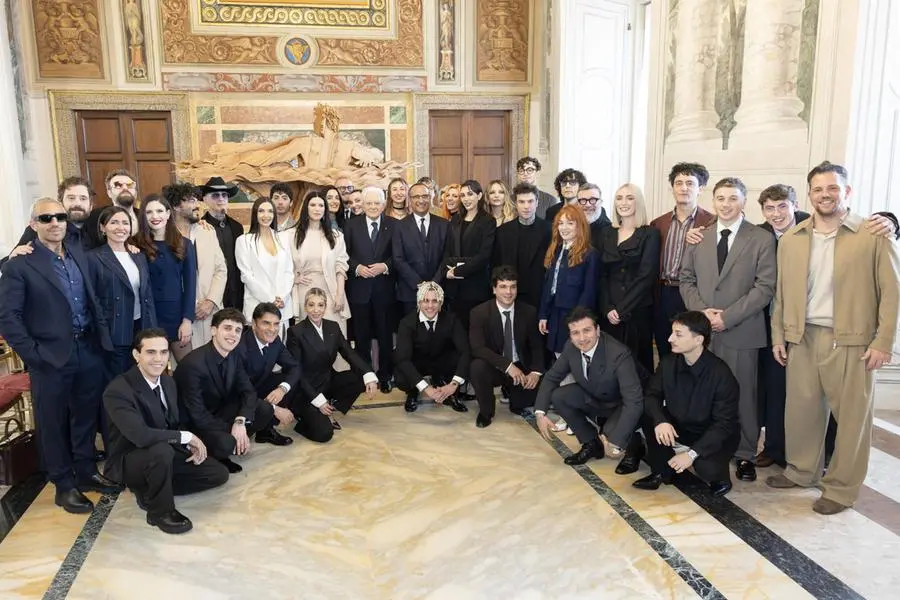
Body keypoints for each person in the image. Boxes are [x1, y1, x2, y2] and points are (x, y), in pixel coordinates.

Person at [766, 161, 900, 515]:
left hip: (852, 341)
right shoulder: (792, 239)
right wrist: (779, 335)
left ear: (847, 191)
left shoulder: (872, 234)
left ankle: (841, 489)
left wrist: (883, 341)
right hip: (802, 337)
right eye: (818, 189)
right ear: (809, 194)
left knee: (853, 420)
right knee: (801, 412)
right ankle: (801, 471)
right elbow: (781, 293)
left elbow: (892, 292)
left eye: (833, 188)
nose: (825, 195)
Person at [0, 198, 120, 514]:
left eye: (60, 217)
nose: (55, 223)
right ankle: (63, 485)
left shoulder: (78, 253)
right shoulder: (19, 264)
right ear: (33, 224)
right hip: (49, 357)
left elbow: (93, 298)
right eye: (46, 218)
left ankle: (86, 471)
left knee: (85, 415)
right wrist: (34, 355)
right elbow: (8, 317)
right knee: (52, 423)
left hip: (88, 349)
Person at [679, 177, 776, 484]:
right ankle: (709, 448)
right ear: (713, 201)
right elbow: (686, 279)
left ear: (744, 201)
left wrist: (728, 317)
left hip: (742, 330)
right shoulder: (699, 236)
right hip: (704, 333)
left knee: (743, 395)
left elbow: (765, 286)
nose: (726, 204)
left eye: (733, 198)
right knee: (706, 394)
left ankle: (745, 454)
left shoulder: (761, 238)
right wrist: (702, 315)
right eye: (720, 198)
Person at [102, 328, 229, 534]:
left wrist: (187, 444)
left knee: (217, 474)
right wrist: (185, 437)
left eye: (163, 352)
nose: (158, 359)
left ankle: (151, 489)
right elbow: (141, 436)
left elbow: (173, 423)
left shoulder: (168, 382)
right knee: (161, 450)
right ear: (136, 355)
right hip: (130, 459)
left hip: (164, 453)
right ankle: (160, 511)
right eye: (151, 352)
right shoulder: (118, 390)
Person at [632, 312, 740, 497]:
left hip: (710, 433)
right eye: (672, 332)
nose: (670, 338)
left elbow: (723, 424)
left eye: (678, 334)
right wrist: (660, 421)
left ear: (698, 340)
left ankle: (721, 478)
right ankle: (660, 471)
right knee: (649, 414)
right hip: (680, 426)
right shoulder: (668, 363)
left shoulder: (721, 374)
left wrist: (691, 454)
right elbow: (651, 395)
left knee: (706, 468)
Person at [174, 309, 292, 473]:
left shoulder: (233, 356)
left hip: (219, 411)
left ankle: (233, 442)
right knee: (227, 442)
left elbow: (248, 392)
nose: (233, 334)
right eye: (227, 328)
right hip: (195, 423)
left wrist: (240, 421)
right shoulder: (193, 364)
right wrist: (232, 430)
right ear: (213, 330)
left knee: (264, 409)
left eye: (237, 330)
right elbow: (197, 415)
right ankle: (220, 451)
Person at [534, 307, 644, 466]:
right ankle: (591, 444)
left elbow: (634, 402)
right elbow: (551, 377)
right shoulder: (571, 347)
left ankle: (636, 445)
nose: (582, 338)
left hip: (623, 402)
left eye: (587, 330)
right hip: (596, 395)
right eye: (575, 333)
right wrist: (540, 413)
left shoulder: (619, 354)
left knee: (612, 434)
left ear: (597, 330)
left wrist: (616, 440)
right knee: (559, 396)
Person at [285, 288, 378, 441]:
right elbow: (296, 372)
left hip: (327, 381)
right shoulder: (295, 332)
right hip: (306, 390)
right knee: (324, 434)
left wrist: (368, 374)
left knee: (362, 377)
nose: (316, 310)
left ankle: (331, 406)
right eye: (311, 305)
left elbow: (349, 353)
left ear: (325, 307)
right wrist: (317, 400)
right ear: (305, 307)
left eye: (320, 305)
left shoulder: (332, 326)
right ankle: (303, 418)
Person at [650, 162, 716, 357]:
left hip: (694, 293)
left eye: (690, 183)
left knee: (692, 348)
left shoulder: (711, 222)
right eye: (678, 183)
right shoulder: (658, 223)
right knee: (664, 344)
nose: (684, 188)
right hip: (663, 293)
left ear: (701, 188)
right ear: (672, 188)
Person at [88, 206, 157, 380]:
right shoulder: (93, 257)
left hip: (141, 327)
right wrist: (103, 333)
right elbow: (92, 299)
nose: (121, 227)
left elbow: (147, 295)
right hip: (114, 330)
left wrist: (152, 329)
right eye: (114, 222)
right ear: (103, 227)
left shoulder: (138, 255)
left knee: (141, 379)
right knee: (119, 381)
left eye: (125, 223)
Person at [469, 267, 543, 427]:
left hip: (521, 367)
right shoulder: (479, 313)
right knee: (477, 367)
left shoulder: (529, 312)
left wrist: (536, 372)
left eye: (512, 286)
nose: (508, 292)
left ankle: (512, 393)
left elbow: (537, 346)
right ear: (494, 289)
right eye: (503, 286)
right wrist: (507, 366)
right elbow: (478, 348)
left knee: (521, 404)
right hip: (496, 366)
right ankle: (486, 412)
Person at [597, 183, 660, 373]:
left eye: (629, 198)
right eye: (619, 198)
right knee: (610, 364)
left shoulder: (650, 234)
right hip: (609, 312)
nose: (623, 203)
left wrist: (621, 309)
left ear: (638, 202)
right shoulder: (606, 232)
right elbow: (602, 275)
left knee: (637, 364)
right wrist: (608, 308)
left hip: (637, 310)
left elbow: (646, 276)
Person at [344, 186, 397, 393]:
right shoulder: (350, 226)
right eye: (369, 203)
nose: (373, 207)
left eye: (377, 203)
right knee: (361, 338)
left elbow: (400, 254)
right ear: (363, 205)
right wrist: (356, 268)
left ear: (383, 205)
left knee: (385, 336)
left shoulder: (394, 225)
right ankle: (365, 376)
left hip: (385, 291)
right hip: (359, 291)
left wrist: (385, 266)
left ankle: (385, 376)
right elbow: (344, 254)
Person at [134, 194, 198, 362]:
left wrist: (187, 320)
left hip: (176, 317)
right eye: (149, 212)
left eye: (159, 211)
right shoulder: (135, 244)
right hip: (148, 316)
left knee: (189, 369)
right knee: (154, 368)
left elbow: (190, 285)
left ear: (168, 214)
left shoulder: (184, 244)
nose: (155, 216)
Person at [164, 183, 228, 348]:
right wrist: (190, 307)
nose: (197, 205)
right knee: (185, 363)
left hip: (210, 313)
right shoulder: (164, 236)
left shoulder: (207, 231)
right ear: (176, 206)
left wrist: (211, 301)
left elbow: (221, 270)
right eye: (191, 201)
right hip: (179, 316)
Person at [394, 281, 470, 413]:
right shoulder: (407, 323)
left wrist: (454, 384)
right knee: (401, 373)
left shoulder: (451, 319)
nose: (430, 306)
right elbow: (403, 359)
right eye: (426, 301)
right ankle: (413, 390)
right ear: (419, 302)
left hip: (442, 361)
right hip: (417, 362)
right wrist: (425, 388)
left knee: (463, 358)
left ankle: (447, 389)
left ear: (441, 303)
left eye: (435, 301)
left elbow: (465, 351)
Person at [538, 204, 599, 355]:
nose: (564, 228)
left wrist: (578, 320)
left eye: (570, 223)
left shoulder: (589, 254)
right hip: (554, 312)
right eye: (561, 223)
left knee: (573, 354)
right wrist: (543, 314)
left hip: (573, 314)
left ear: (580, 226)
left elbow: (589, 291)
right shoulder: (555, 250)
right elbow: (548, 285)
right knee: (557, 354)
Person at [289, 190, 351, 338]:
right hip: (304, 290)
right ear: (306, 208)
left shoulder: (336, 236)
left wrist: (339, 294)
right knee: (308, 338)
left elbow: (341, 266)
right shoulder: (291, 235)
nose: (317, 209)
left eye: (321, 205)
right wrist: (293, 278)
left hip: (330, 289)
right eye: (313, 205)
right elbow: (284, 265)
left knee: (334, 335)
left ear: (325, 209)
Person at [236, 303, 299, 446]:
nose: (272, 329)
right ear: (254, 324)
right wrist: (275, 409)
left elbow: (294, 367)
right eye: (266, 323)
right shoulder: (241, 346)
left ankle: (265, 431)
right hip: (238, 396)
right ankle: (252, 425)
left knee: (288, 381)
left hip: (257, 385)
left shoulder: (275, 341)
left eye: (276, 324)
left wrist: (282, 389)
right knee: (232, 446)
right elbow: (240, 390)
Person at [2, 176, 94, 269]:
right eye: (71, 198)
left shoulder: (97, 229)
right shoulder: (41, 228)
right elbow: (8, 264)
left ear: (91, 205)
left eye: (83, 198)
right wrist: (12, 258)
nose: (77, 203)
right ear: (60, 203)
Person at [234, 197, 294, 335]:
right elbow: (246, 276)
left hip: (282, 307)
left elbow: (288, 271)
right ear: (255, 214)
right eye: (261, 211)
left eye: (270, 211)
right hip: (257, 306)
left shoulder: (283, 238)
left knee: (281, 345)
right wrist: (270, 299)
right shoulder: (244, 241)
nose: (266, 215)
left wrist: (282, 297)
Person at [444, 179, 496, 331]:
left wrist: (458, 270)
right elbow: (447, 249)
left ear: (479, 196)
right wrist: (448, 268)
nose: (466, 198)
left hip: (476, 286)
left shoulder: (488, 221)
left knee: (476, 331)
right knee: (456, 331)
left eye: (470, 194)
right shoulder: (455, 219)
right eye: (463, 195)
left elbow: (484, 255)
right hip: (454, 287)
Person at [393, 182, 452, 315]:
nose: (421, 200)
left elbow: (447, 256)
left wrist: (434, 283)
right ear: (410, 200)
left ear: (430, 198)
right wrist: (420, 284)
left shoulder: (444, 225)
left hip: (438, 290)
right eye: (416, 197)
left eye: (425, 196)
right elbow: (398, 259)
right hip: (410, 291)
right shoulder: (399, 227)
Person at [492, 182, 552, 310]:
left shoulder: (549, 230)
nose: (526, 206)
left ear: (537, 203)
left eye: (530, 201)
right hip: (510, 294)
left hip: (539, 294)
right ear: (515, 203)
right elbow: (496, 264)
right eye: (521, 202)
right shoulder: (502, 231)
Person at [200, 177, 244, 311]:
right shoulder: (199, 228)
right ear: (205, 199)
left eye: (224, 195)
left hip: (236, 293)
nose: (221, 199)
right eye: (215, 195)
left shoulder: (237, 227)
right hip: (210, 295)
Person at [82, 169, 139, 249]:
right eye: (118, 185)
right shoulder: (94, 217)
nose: (125, 188)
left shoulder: (146, 216)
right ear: (109, 193)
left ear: (135, 192)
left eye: (130, 185)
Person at [576, 183, 613, 249]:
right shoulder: (573, 225)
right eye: (583, 200)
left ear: (601, 202)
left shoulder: (610, 232)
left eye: (593, 200)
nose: (588, 205)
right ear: (577, 204)